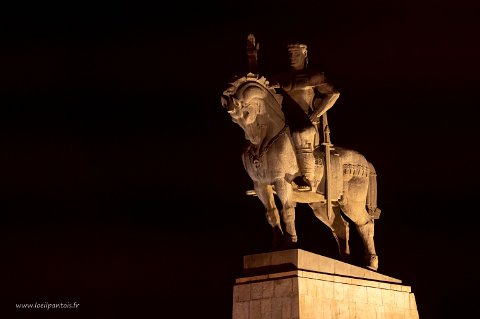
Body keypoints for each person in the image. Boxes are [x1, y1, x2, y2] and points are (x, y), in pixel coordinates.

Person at [270, 43, 340, 192]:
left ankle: (308, 177)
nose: (292, 58)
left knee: (300, 133)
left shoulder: (314, 76)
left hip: (304, 122)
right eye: (290, 55)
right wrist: (252, 57)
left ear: (305, 55)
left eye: (296, 55)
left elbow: (333, 93)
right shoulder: (281, 78)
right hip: (284, 121)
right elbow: (259, 85)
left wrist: (316, 113)